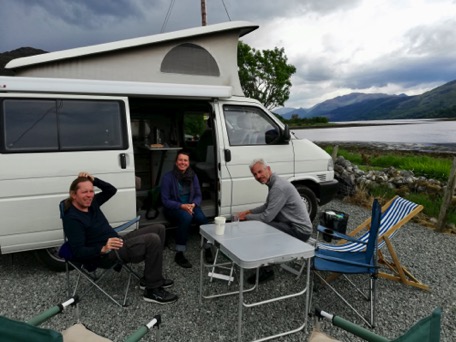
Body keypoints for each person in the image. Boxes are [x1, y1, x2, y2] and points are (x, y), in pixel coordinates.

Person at [63, 172, 177, 304]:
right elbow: (78, 251)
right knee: (152, 239)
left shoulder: (91, 203)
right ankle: (152, 290)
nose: (89, 195)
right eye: (84, 192)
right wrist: (103, 248)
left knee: (159, 228)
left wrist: (94, 180)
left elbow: (111, 190)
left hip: (117, 242)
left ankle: (150, 278)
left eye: (91, 191)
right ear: (73, 195)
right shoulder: (72, 219)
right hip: (106, 255)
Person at [238, 159, 313, 284]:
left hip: (300, 230)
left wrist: (246, 217)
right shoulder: (274, 183)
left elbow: (266, 217)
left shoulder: (278, 187)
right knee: (263, 226)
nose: (258, 176)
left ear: (268, 169)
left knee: (262, 229)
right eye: (255, 174)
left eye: (260, 172)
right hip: (289, 224)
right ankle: (263, 262)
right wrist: (249, 212)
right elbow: (267, 206)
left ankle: (267, 271)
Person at [161, 150, 211, 268]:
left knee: (202, 219)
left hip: (190, 205)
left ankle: (208, 247)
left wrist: (193, 204)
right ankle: (179, 252)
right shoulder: (168, 177)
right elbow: (165, 200)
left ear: (188, 163)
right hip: (173, 207)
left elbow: (198, 195)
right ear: (176, 162)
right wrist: (181, 206)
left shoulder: (193, 176)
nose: (182, 162)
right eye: (180, 160)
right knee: (186, 217)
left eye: (185, 160)